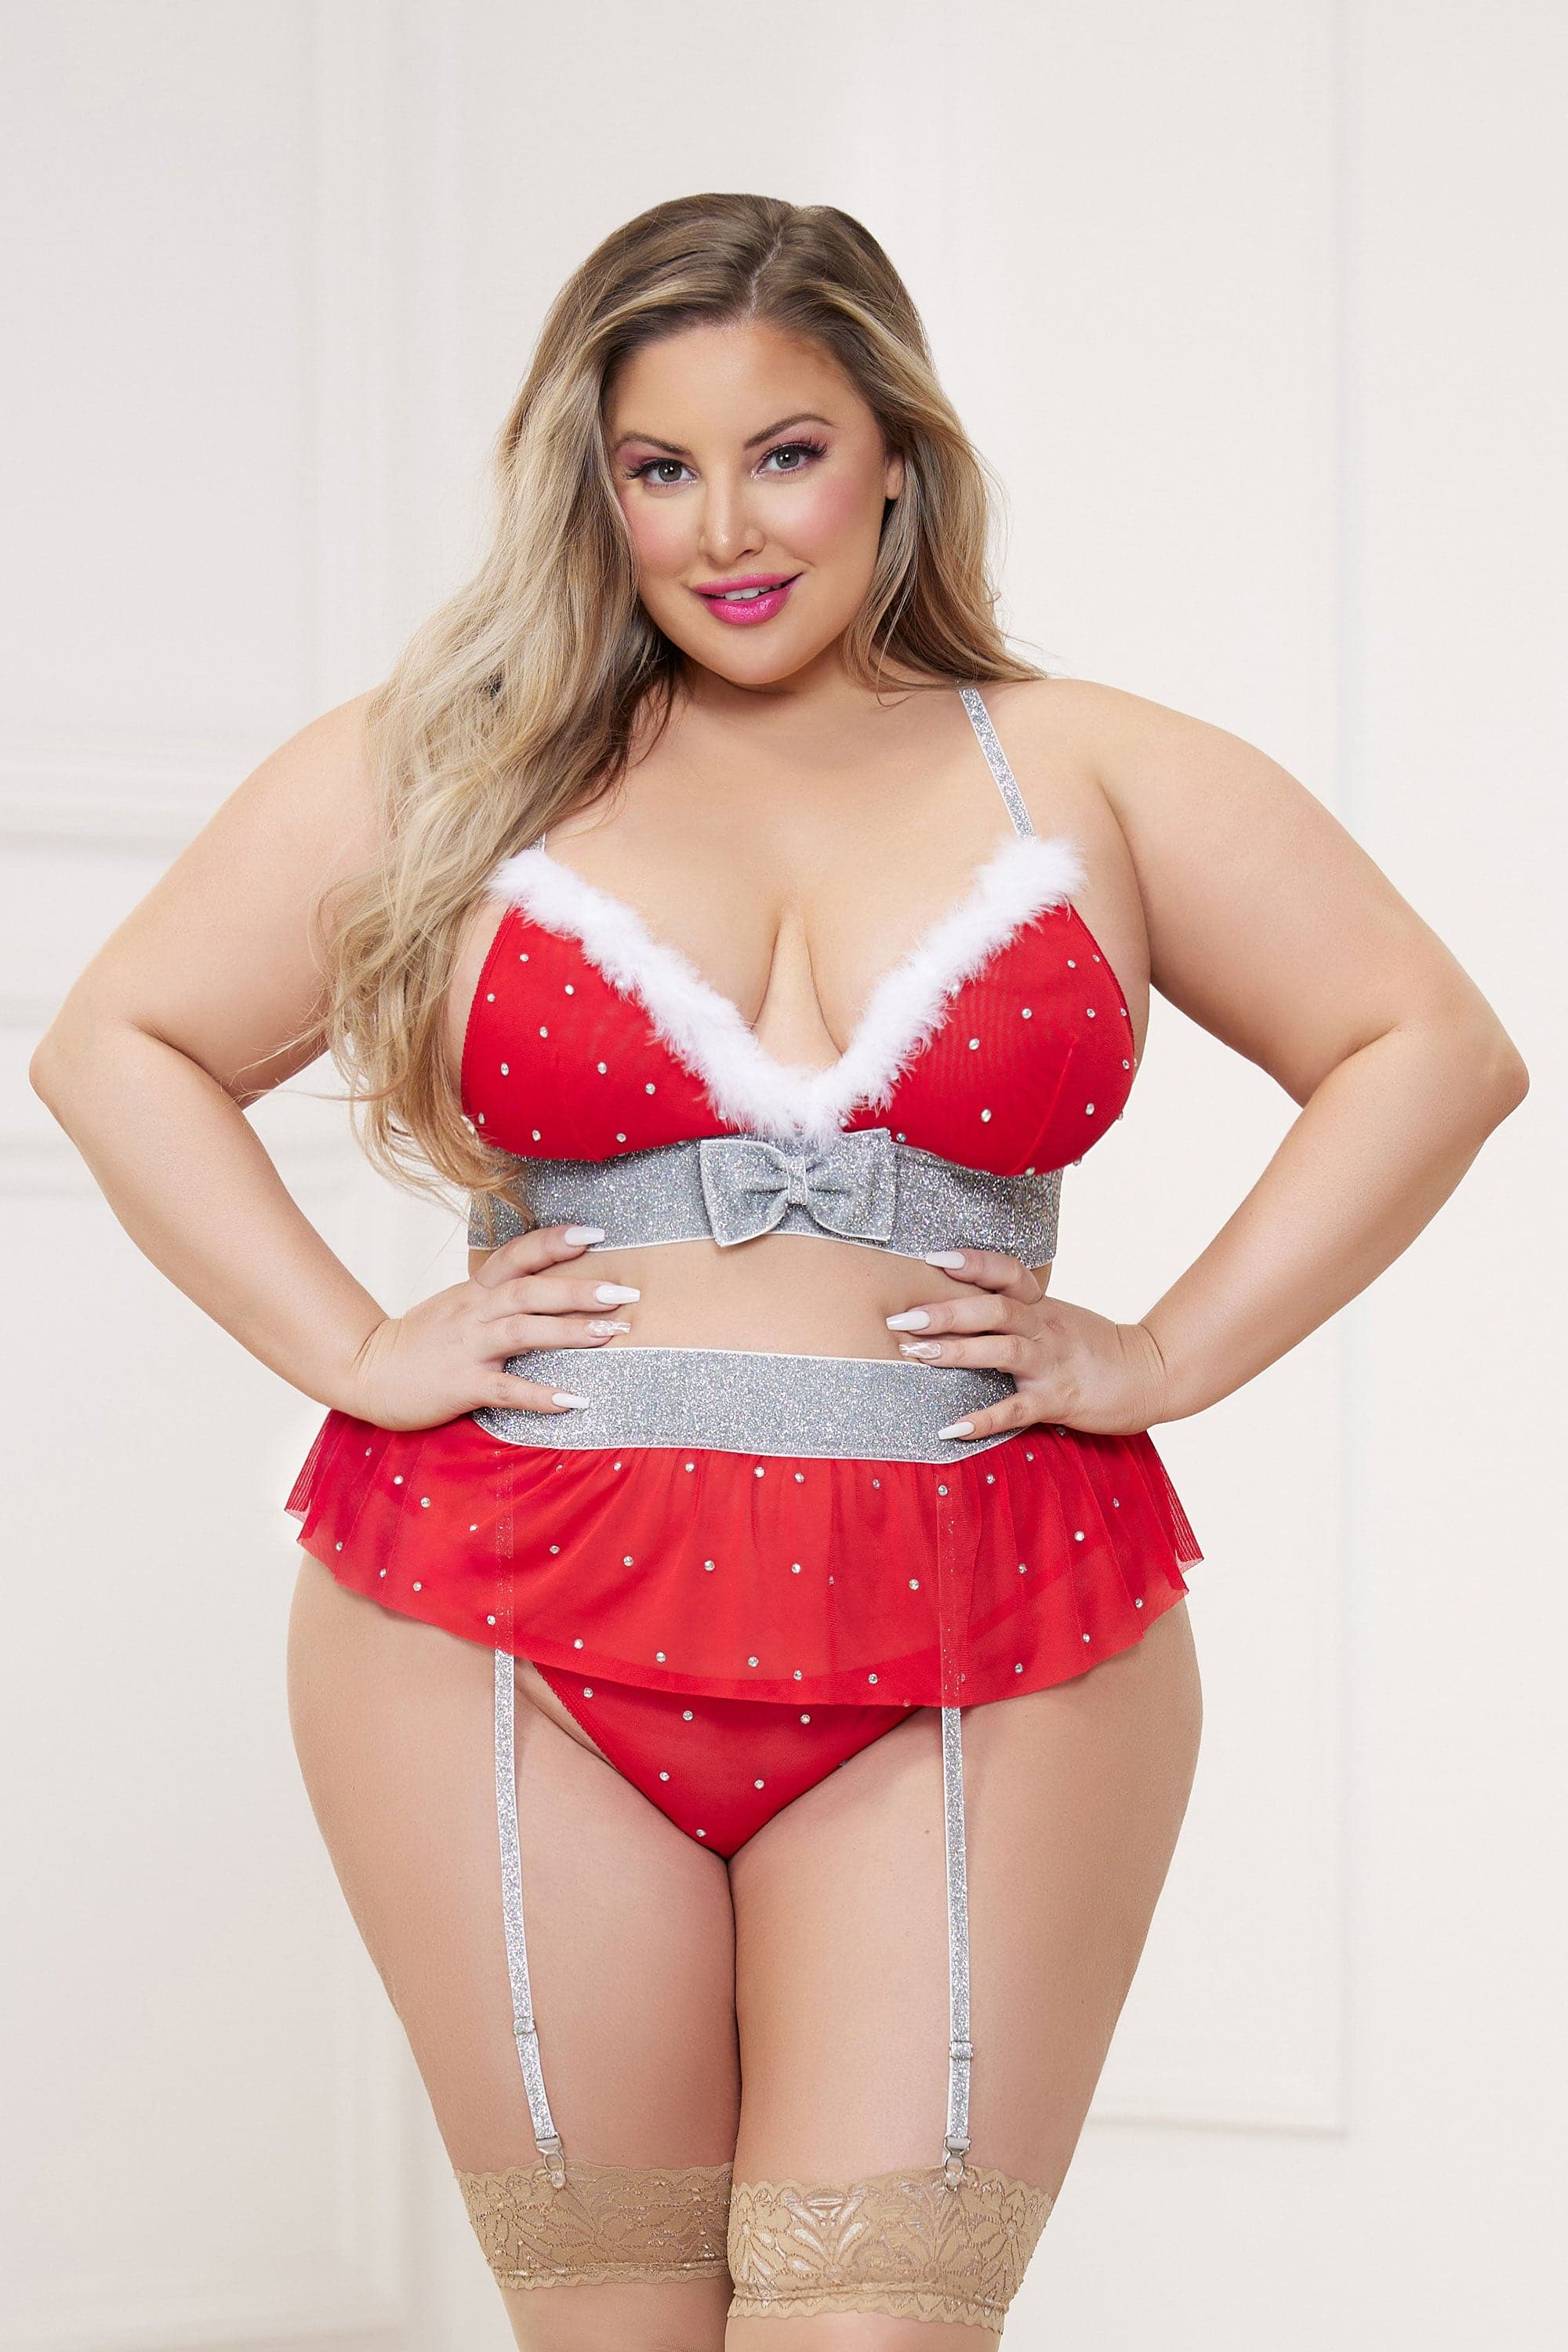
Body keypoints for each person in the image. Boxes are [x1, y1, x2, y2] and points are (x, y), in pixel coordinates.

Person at [30, 191, 1527, 2349]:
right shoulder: (453, 760)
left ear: (897, 453)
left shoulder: (1090, 765)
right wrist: (353, 1344)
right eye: (661, 467)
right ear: (596, 487)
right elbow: (119, 1044)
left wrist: (1166, 1351)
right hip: (494, 1631)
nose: (726, 528)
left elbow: (1433, 1049)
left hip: (994, 1629)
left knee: (873, 2327)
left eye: (788, 452)